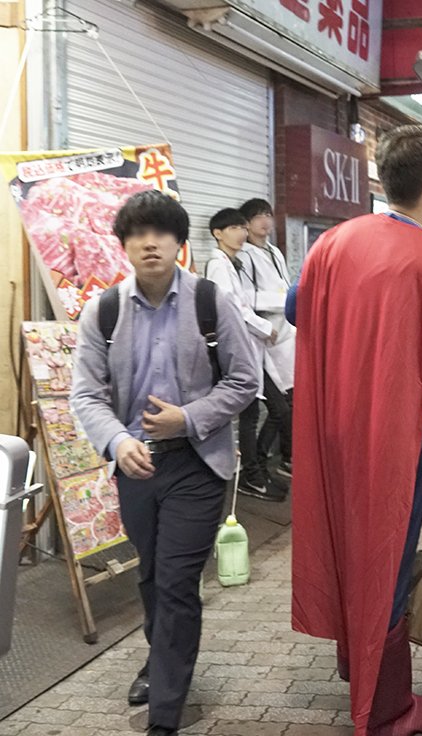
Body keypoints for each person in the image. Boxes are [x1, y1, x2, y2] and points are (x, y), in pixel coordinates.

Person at [291, 124, 422, 736]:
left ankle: (358, 667)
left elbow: (295, 306)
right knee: (386, 560)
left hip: (329, 429)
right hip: (390, 437)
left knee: (347, 548)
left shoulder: (332, 243)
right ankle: (389, 709)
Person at [70, 191, 258, 736]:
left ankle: (164, 713)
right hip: (136, 467)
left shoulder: (209, 302)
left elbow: (244, 380)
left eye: (160, 233)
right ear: (124, 244)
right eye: (138, 234)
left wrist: (189, 418)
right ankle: (160, 659)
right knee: (153, 577)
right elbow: (86, 394)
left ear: (178, 242)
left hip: (197, 464)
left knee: (176, 581)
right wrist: (115, 441)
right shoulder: (104, 311)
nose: (149, 243)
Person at [203, 209, 287, 502]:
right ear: (217, 233)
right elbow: (232, 308)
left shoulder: (232, 263)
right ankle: (252, 477)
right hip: (238, 352)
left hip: (249, 350)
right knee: (253, 415)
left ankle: (257, 471)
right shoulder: (218, 265)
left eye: (242, 227)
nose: (241, 233)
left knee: (271, 410)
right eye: (234, 228)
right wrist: (263, 327)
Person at [240, 198, 295, 480]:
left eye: (268, 215)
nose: (265, 221)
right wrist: (283, 300)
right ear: (246, 224)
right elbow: (247, 299)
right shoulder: (244, 256)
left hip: (287, 333)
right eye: (258, 216)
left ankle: (287, 458)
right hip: (264, 336)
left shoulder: (274, 251)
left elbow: (285, 285)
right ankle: (262, 463)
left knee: (290, 403)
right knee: (279, 408)